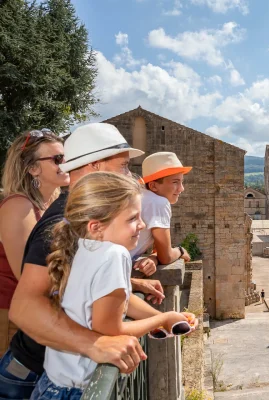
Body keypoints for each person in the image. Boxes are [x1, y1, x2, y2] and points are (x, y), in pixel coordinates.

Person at [1, 123, 163, 400]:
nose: (130, 175)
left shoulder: (79, 214)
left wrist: (163, 320)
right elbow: (24, 307)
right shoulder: (61, 221)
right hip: (33, 375)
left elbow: (88, 289)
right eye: (123, 166)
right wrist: (95, 344)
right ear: (96, 167)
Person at [30, 172, 197, 399]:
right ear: (96, 226)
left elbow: (122, 301)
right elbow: (109, 329)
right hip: (76, 390)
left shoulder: (82, 246)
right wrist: (159, 321)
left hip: (52, 382)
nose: (142, 225)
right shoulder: (113, 255)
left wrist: (168, 316)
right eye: (132, 219)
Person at [0, 129, 70, 355]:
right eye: (58, 159)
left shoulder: (53, 202)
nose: (66, 163)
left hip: (36, 315)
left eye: (66, 156)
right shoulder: (18, 207)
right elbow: (26, 274)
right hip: (11, 318)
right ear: (32, 168)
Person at [130, 152, 192, 265]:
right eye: (175, 182)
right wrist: (181, 251)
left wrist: (153, 258)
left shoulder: (139, 196)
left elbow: (158, 252)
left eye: (181, 182)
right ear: (153, 186)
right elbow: (166, 257)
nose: (181, 188)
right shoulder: (159, 202)